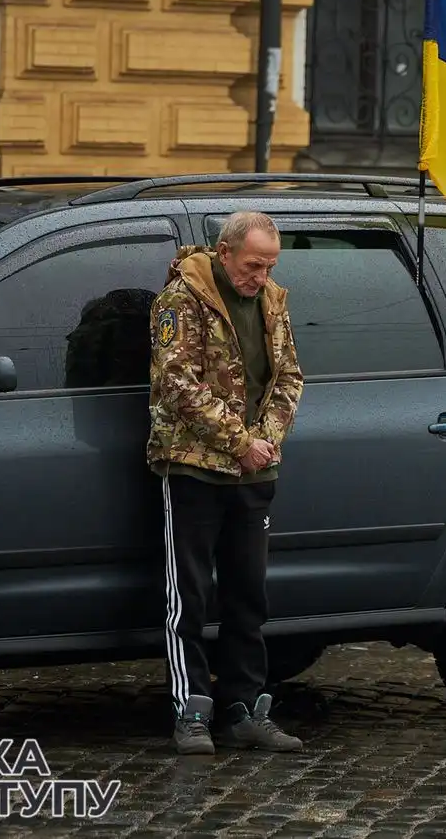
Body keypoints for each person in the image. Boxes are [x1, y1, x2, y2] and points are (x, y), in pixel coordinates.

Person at [146, 210, 305, 755]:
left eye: (268, 267)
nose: (259, 276)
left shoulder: (272, 301)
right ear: (225, 252)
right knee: (187, 595)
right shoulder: (180, 299)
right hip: (192, 467)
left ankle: (245, 709)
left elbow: (289, 377)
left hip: (255, 472)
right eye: (253, 265)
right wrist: (240, 441)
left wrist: (267, 439)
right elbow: (175, 383)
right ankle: (190, 712)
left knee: (247, 594)